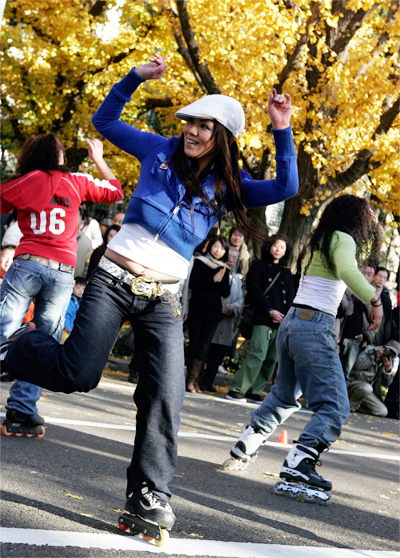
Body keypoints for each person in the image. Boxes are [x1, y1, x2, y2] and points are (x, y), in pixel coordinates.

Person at [1, 53, 298, 537]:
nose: (193, 132)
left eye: (205, 127)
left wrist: (280, 128)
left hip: (163, 299)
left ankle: (149, 494)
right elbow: (105, 121)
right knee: (78, 374)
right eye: (191, 123)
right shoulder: (157, 150)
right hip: (114, 280)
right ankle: (16, 346)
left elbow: (287, 184)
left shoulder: (227, 187)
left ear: (221, 136)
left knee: (164, 396)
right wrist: (134, 77)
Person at [223, 195, 382, 503]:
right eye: (368, 217)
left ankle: (246, 444)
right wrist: (374, 300)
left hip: (292, 323)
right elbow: (349, 272)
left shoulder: (320, 238)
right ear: (355, 218)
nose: (371, 222)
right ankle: (299, 463)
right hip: (313, 325)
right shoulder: (344, 238)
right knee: (335, 406)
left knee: (283, 396)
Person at [0, 134, 123, 434]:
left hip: (29, 262)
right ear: (58, 157)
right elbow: (116, 191)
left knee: (4, 327)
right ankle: (22, 408)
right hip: (62, 273)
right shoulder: (77, 182)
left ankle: (8, 351)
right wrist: (99, 159)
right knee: (44, 344)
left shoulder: (28, 180)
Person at [226, 235, 295, 403]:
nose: (278, 249)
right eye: (275, 245)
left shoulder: (287, 273)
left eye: (282, 247)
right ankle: (237, 389)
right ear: (269, 247)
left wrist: (286, 318)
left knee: (272, 358)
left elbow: (292, 296)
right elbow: (254, 290)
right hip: (263, 317)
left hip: (281, 322)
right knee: (257, 354)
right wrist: (270, 310)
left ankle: (254, 390)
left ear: (286, 252)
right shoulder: (258, 266)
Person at [186, 236, 230, 393]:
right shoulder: (199, 262)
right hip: (197, 309)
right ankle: (188, 380)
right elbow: (194, 284)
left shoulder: (224, 268)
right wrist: (213, 279)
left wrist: (220, 279)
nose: (218, 250)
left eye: (222, 248)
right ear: (210, 246)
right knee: (194, 344)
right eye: (216, 246)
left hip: (213, 313)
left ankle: (194, 380)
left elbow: (226, 292)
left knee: (204, 347)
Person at [200, 246, 243, 392]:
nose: (231, 260)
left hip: (227, 321)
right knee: (205, 350)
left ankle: (208, 382)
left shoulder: (237, 279)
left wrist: (233, 308)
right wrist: (224, 308)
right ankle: (198, 380)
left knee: (218, 355)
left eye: (234, 258)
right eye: (229, 257)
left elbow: (240, 299)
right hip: (214, 317)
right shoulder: (216, 271)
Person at [339, 261, 376, 383]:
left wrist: (365, 335)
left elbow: (375, 323)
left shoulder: (373, 297)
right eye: (363, 272)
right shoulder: (349, 289)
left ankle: (340, 401)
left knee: (345, 373)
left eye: (369, 274)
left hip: (355, 339)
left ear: (373, 277)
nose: (365, 276)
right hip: (339, 335)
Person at [347, 340, 399, 416]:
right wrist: (375, 358)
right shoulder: (370, 350)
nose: (388, 354)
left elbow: (387, 384)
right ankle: (351, 406)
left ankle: (350, 403)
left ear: (394, 357)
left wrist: (387, 369)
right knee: (367, 388)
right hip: (353, 383)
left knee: (382, 411)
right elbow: (356, 365)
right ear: (384, 347)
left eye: (392, 354)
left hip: (365, 391)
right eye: (388, 350)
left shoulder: (387, 363)